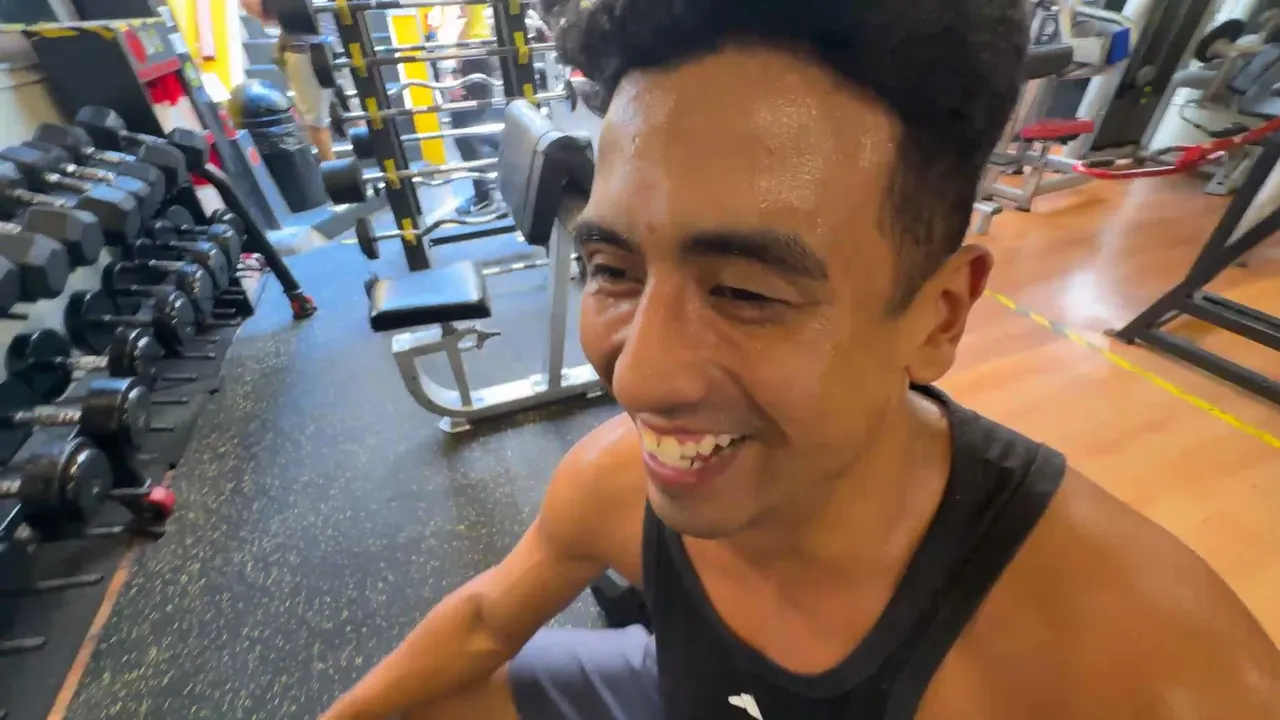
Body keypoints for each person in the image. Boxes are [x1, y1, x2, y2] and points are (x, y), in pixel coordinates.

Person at [322, 1, 1280, 718]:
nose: (639, 381)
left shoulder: (1151, 669)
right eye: (613, 268)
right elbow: (484, 623)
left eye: (746, 292)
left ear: (940, 315)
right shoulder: (613, 485)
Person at [240, 0, 337, 161]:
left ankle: (337, 167)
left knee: (322, 119)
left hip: (326, 48)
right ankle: (335, 170)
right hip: (312, 49)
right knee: (318, 120)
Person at [449, 6, 504, 215]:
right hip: (472, 74)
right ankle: (485, 193)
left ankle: (484, 197)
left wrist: (460, 84)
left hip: (474, 75)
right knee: (470, 133)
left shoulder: (476, 30)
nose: (460, 6)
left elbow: (477, 68)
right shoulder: (472, 25)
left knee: (467, 135)